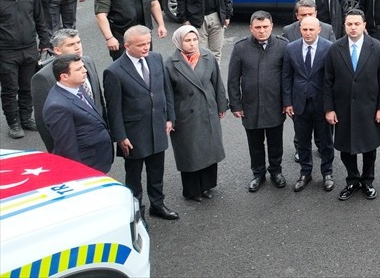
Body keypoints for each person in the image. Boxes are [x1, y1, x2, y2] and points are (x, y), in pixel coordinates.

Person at [103, 26, 178, 220]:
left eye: (148, 43)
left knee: (156, 170)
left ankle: (158, 204)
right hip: (134, 132)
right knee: (134, 176)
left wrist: (169, 116)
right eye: (141, 45)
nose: (146, 48)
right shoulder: (114, 71)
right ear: (126, 46)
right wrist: (120, 136)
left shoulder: (156, 58)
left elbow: (165, 89)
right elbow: (114, 108)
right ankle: (136, 212)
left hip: (157, 126)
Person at [324, 10, 380, 201]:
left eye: (356, 24)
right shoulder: (335, 48)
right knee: (346, 147)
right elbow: (327, 80)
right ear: (344, 26)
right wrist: (329, 108)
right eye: (349, 24)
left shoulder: (377, 48)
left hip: (369, 107)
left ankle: (367, 181)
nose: (353, 27)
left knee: (369, 147)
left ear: (364, 25)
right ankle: (352, 180)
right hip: (343, 107)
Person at [164, 25, 227, 202]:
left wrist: (221, 105)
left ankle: (208, 186)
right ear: (179, 42)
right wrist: (170, 117)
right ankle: (192, 190)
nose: (192, 44)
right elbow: (167, 93)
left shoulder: (207, 56)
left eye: (194, 40)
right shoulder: (170, 63)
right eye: (187, 40)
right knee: (190, 152)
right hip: (185, 113)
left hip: (207, 109)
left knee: (209, 148)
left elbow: (217, 82)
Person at [227, 12, 288, 192]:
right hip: (250, 106)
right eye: (258, 28)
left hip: (275, 105)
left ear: (272, 26)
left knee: (275, 142)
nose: (262, 31)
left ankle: (276, 171)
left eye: (265, 27)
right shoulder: (240, 48)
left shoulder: (283, 46)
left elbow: (288, 77)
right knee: (255, 143)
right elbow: (233, 79)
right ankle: (258, 173)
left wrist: (287, 102)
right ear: (251, 28)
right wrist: (236, 105)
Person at [283, 16, 335, 193]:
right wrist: (287, 102)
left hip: (322, 104)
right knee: (303, 141)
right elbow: (287, 77)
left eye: (312, 29)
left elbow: (332, 79)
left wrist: (331, 106)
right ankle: (305, 172)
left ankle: (327, 173)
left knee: (326, 141)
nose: (308, 33)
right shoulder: (291, 48)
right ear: (300, 30)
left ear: (319, 29)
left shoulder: (329, 48)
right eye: (305, 30)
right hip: (299, 103)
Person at [42, 54, 113, 172]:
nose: (85, 71)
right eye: (79, 69)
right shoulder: (57, 107)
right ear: (64, 76)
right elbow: (67, 148)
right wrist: (78, 173)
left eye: (83, 67)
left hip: (98, 159)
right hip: (86, 166)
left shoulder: (77, 87)